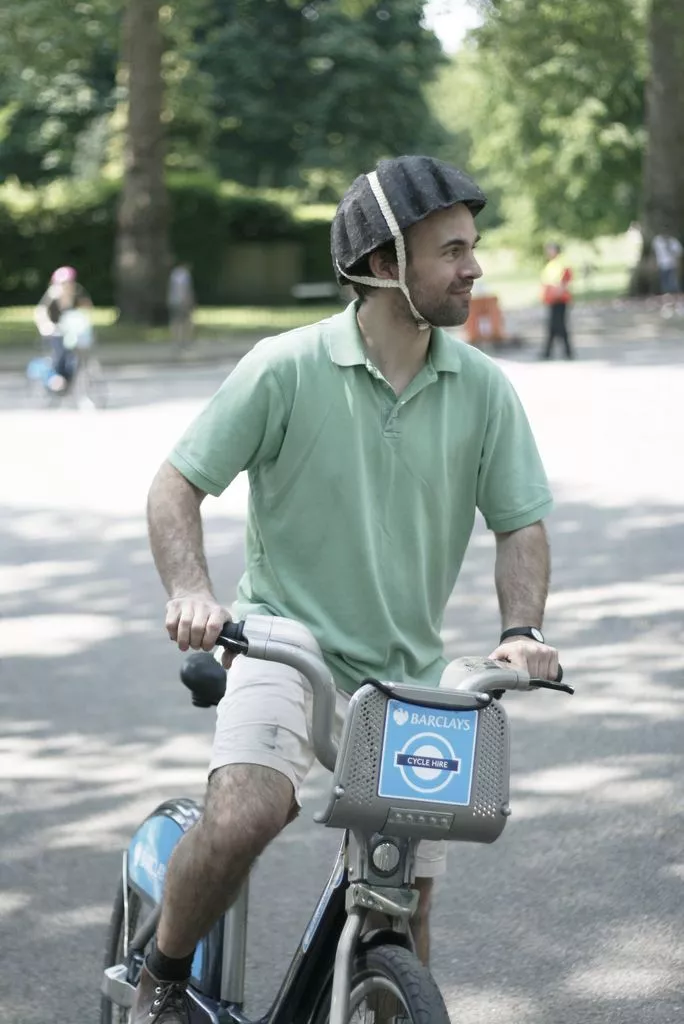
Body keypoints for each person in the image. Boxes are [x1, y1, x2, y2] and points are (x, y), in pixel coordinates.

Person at [138, 155, 560, 1023]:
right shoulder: (284, 367)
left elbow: (520, 524)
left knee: (408, 903)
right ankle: (162, 980)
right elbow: (176, 484)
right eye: (451, 251)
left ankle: (382, 990)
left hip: (407, 677)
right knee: (245, 815)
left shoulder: (483, 388)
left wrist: (521, 630)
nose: (474, 267)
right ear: (381, 263)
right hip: (284, 647)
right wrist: (192, 590)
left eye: (471, 246)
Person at [33, 266, 93, 391]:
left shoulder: (76, 292)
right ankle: (56, 379)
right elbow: (41, 312)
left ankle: (70, 379)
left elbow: (87, 306)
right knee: (59, 355)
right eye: (63, 283)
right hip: (56, 332)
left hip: (70, 331)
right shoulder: (52, 295)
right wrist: (46, 326)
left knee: (75, 355)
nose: (66, 286)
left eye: (69, 283)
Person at [540, 242, 574, 360]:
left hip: (560, 300)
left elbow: (566, 280)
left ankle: (564, 352)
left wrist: (558, 292)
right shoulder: (550, 265)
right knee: (553, 327)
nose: (548, 252)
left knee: (559, 326)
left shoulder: (561, 263)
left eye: (550, 250)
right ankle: (549, 352)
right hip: (552, 300)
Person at [167, 263, 195, 350]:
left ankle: (176, 340)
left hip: (173, 300)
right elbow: (186, 289)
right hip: (182, 301)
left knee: (175, 321)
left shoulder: (174, 273)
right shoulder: (185, 274)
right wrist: (189, 301)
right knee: (186, 321)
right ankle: (185, 340)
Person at [652, 233, 682, 297]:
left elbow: (679, 254)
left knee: (672, 281)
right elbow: (654, 253)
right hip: (662, 264)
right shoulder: (657, 241)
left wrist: (678, 263)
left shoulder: (673, 241)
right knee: (664, 281)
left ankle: (675, 294)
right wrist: (654, 263)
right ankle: (667, 295)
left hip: (672, 265)